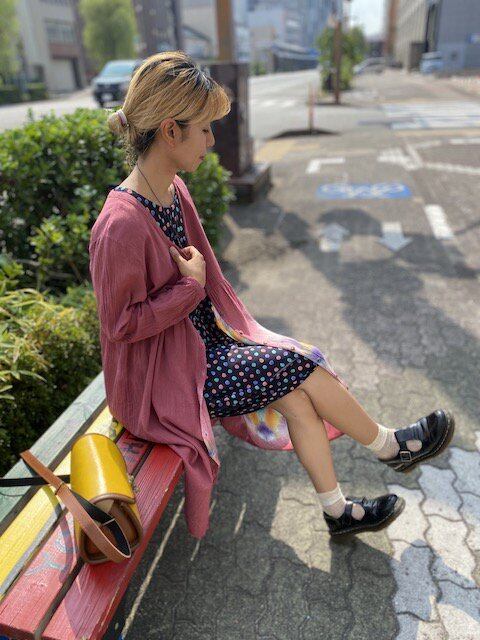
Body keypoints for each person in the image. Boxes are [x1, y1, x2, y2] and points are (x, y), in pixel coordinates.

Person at [90, 51, 455, 539]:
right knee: (298, 363)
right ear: (171, 131)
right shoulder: (119, 224)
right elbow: (121, 326)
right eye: (205, 129)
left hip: (198, 350)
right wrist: (189, 288)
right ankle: (390, 446)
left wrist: (200, 297)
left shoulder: (173, 190)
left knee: (297, 396)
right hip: (157, 384)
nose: (211, 141)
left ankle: (337, 512)